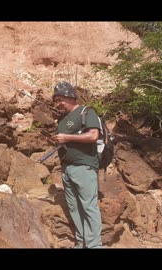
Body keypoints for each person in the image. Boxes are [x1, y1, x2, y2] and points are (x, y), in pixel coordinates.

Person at [48, 81, 102, 248]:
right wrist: (58, 140)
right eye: (55, 100)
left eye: (60, 100)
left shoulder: (86, 112)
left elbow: (93, 136)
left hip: (84, 166)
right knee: (74, 208)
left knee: (89, 207)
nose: (58, 104)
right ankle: (81, 243)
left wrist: (67, 138)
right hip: (66, 168)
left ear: (70, 97)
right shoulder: (62, 119)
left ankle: (94, 246)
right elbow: (65, 139)